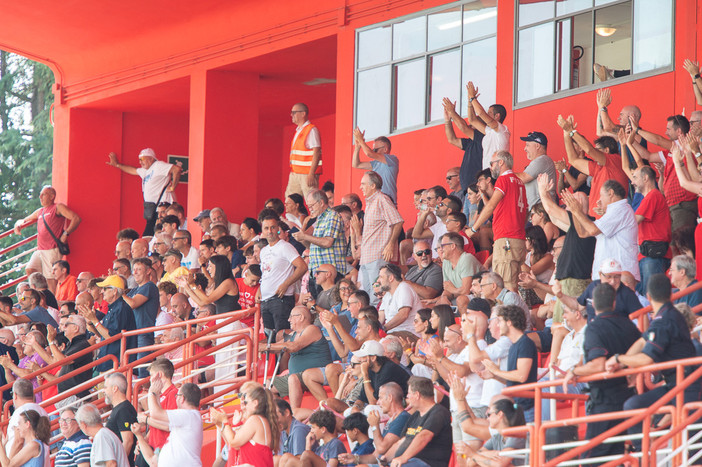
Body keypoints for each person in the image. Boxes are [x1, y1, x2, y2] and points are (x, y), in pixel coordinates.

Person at [606, 274, 702, 449]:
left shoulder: (664, 320)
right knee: (633, 405)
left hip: (688, 386)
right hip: (675, 385)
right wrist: (623, 364)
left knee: (691, 451)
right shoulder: (670, 314)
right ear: (670, 294)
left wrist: (619, 358)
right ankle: (645, 453)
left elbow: (646, 358)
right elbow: (643, 341)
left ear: (648, 296)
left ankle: (646, 454)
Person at [562, 282, 640, 461]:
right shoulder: (629, 325)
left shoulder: (595, 327)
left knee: (592, 458)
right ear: (614, 303)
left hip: (605, 401)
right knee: (616, 456)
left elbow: (598, 364)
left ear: (594, 304)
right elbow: (641, 355)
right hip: (627, 397)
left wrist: (574, 370)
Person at [468, 151, 527, 291]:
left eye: (492, 163)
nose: (491, 167)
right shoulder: (520, 183)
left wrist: (473, 229)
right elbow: (525, 212)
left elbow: (491, 206)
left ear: (501, 162)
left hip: (506, 239)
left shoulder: (503, 180)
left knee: (505, 287)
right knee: (514, 286)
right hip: (519, 240)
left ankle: (509, 314)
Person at [628, 115, 698, 231]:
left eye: (668, 129)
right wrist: (630, 142)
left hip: (684, 204)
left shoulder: (685, 145)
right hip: (671, 204)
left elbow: (659, 141)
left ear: (679, 131)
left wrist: (637, 130)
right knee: (673, 244)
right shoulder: (671, 152)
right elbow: (648, 156)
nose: (666, 132)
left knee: (682, 243)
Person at [562, 180, 639, 282]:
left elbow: (593, 230)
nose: (599, 199)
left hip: (619, 276)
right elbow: (583, 233)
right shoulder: (613, 212)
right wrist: (575, 211)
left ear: (611, 193)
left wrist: (577, 211)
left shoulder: (620, 208)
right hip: (608, 275)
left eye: (601, 195)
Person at [558, 115, 629, 219]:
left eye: (598, 149)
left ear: (607, 150)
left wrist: (572, 131)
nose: (595, 153)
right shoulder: (597, 167)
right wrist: (566, 134)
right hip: (596, 221)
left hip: (611, 219)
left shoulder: (615, 160)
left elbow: (589, 150)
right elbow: (573, 160)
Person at [14, 185, 81, 292]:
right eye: (40, 194)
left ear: (52, 196)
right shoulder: (40, 211)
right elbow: (25, 219)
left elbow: (76, 218)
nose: (40, 197)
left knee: (51, 280)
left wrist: (66, 234)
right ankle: (40, 294)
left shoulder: (58, 207)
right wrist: (18, 224)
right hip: (40, 249)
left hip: (52, 249)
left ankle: (52, 303)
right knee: (30, 269)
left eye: (43, 194)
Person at [378, 376, 453, 467]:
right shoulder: (415, 416)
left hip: (427, 463)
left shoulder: (439, 412)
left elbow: (424, 436)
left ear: (417, 395)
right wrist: (385, 459)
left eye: (409, 393)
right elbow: (400, 442)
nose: (407, 397)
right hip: (406, 462)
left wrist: (403, 458)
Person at [266, 306, 332, 408]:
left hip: (313, 375)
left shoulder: (312, 329)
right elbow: (275, 348)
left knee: (293, 378)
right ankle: (282, 412)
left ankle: (295, 413)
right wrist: (261, 347)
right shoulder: (293, 334)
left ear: (301, 317)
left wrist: (267, 346)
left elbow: (294, 346)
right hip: (297, 377)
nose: (289, 320)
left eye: (291, 316)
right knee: (267, 385)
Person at [107, 148, 182, 236]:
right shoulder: (146, 171)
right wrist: (117, 165)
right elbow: (134, 170)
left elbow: (176, 169)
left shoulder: (158, 165)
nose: (140, 162)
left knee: (163, 231)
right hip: (152, 209)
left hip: (163, 207)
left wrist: (173, 186)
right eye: (139, 160)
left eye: (142, 159)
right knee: (153, 233)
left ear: (151, 158)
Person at [482, 305, 538, 422]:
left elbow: (521, 376)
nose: (498, 325)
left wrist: (497, 371)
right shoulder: (513, 346)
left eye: (500, 321)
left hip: (527, 406)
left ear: (509, 323)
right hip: (517, 406)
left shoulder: (525, 343)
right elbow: (514, 381)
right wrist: (495, 376)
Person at [358, 171, 404, 303]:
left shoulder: (381, 199)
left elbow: (398, 221)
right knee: (367, 298)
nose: (361, 187)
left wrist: (390, 245)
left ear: (373, 186)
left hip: (378, 256)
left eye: (363, 184)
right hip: (367, 257)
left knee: (377, 298)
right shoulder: (370, 203)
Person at [133, 382, 203, 467]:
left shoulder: (189, 415)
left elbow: (155, 414)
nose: (176, 398)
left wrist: (152, 392)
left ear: (182, 398)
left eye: (177, 395)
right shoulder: (185, 422)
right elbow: (152, 462)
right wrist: (139, 436)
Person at [259, 215, 308, 335]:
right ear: (263, 231)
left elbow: (302, 266)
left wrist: (286, 284)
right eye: (266, 228)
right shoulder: (263, 250)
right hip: (265, 300)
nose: (269, 231)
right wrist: (259, 290)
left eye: (272, 227)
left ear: (278, 229)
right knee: (271, 339)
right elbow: (265, 274)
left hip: (281, 299)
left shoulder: (285, 247)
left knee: (282, 336)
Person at [210, 384, 280, 467]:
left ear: (255, 403)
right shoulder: (259, 420)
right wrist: (221, 424)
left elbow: (233, 442)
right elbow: (234, 447)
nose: (243, 403)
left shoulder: (255, 420)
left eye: (246, 402)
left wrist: (224, 421)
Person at [78, 275, 137, 372]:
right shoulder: (114, 309)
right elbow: (103, 335)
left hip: (116, 365)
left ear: (114, 291)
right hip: (109, 364)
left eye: (105, 289)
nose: (102, 291)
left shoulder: (121, 309)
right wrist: (91, 324)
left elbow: (110, 337)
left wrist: (94, 320)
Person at [292, 190, 348, 290]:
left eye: (312, 206)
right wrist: (301, 237)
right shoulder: (319, 219)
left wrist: (305, 236)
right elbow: (312, 246)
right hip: (317, 273)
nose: (310, 209)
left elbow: (327, 242)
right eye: (309, 207)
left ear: (321, 203)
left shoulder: (332, 216)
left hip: (330, 274)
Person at [631, 165, 673, 293]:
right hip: (649, 254)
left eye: (635, 177)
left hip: (653, 255)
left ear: (645, 178)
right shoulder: (650, 197)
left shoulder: (653, 195)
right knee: (646, 295)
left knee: (651, 296)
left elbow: (634, 221)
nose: (632, 182)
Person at [123, 258, 159, 376]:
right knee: (130, 372)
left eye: (139, 269)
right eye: (134, 270)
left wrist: (121, 293)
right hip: (132, 335)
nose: (135, 273)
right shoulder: (134, 290)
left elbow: (133, 304)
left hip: (143, 334)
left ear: (148, 271)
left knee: (143, 371)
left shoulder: (149, 286)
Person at [462, 81, 510, 169]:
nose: (486, 115)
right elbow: (472, 120)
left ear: (497, 116)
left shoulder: (502, 130)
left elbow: (480, 113)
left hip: (498, 172)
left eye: (489, 113)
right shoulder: (489, 131)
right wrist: (470, 100)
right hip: (488, 172)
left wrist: (473, 98)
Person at [442, 99, 483, 192]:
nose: (470, 127)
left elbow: (463, 127)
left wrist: (452, 112)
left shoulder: (483, 138)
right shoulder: (470, 142)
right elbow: (452, 140)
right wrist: (448, 121)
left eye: (473, 125)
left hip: (477, 188)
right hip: (467, 190)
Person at [279, 410, 345, 467]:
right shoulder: (320, 448)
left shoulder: (335, 443)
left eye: (313, 427)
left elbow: (332, 466)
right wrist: (308, 446)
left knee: (306, 454)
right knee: (291, 461)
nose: (311, 430)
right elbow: (306, 463)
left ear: (323, 429)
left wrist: (308, 453)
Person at [352, 129, 399, 204]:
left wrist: (361, 141)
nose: (373, 151)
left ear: (385, 149)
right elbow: (356, 164)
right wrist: (357, 147)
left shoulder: (392, 159)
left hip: (388, 202)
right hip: (377, 201)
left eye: (375, 149)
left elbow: (369, 153)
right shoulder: (376, 163)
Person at [4, 379, 48, 456]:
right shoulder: (42, 411)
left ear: (15, 395)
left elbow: (18, 441)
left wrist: (9, 463)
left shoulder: (20, 413)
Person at [286, 103, 322, 197]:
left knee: (312, 201)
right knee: (290, 201)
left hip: (307, 175)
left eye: (294, 112)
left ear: (303, 114)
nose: (291, 115)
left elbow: (317, 153)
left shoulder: (311, 130)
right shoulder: (299, 130)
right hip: (295, 173)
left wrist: (311, 173)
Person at [515, 131, 556, 208]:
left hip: (542, 214)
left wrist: (505, 173)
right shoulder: (541, 161)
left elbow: (522, 178)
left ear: (537, 146)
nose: (525, 149)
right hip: (537, 213)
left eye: (527, 145)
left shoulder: (542, 159)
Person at [104, 373, 138, 466]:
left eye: (106, 387)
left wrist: (118, 464)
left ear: (115, 388)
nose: (104, 391)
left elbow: (128, 441)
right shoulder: (120, 408)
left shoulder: (124, 410)